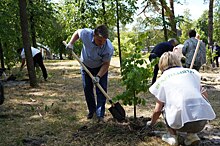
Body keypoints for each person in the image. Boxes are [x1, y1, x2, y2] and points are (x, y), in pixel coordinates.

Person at [146, 52, 216, 146]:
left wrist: (151, 123)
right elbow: (205, 96)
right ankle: (192, 136)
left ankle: (173, 136)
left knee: (165, 106)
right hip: (201, 120)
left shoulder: (162, 79)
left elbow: (157, 110)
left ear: (161, 64)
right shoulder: (192, 73)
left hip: (178, 123)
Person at [66, 25, 114, 122]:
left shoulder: (108, 48)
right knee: (87, 88)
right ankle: (92, 111)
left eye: (104, 41)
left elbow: (106, 64)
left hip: (100, 68)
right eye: (100, 41)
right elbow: (77, 32)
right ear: (94, 35)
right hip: (85, 66)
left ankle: (100, 115)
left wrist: (98, 76)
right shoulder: (86, 34)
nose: (102, 44)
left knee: (101, 90)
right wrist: (71, 43)